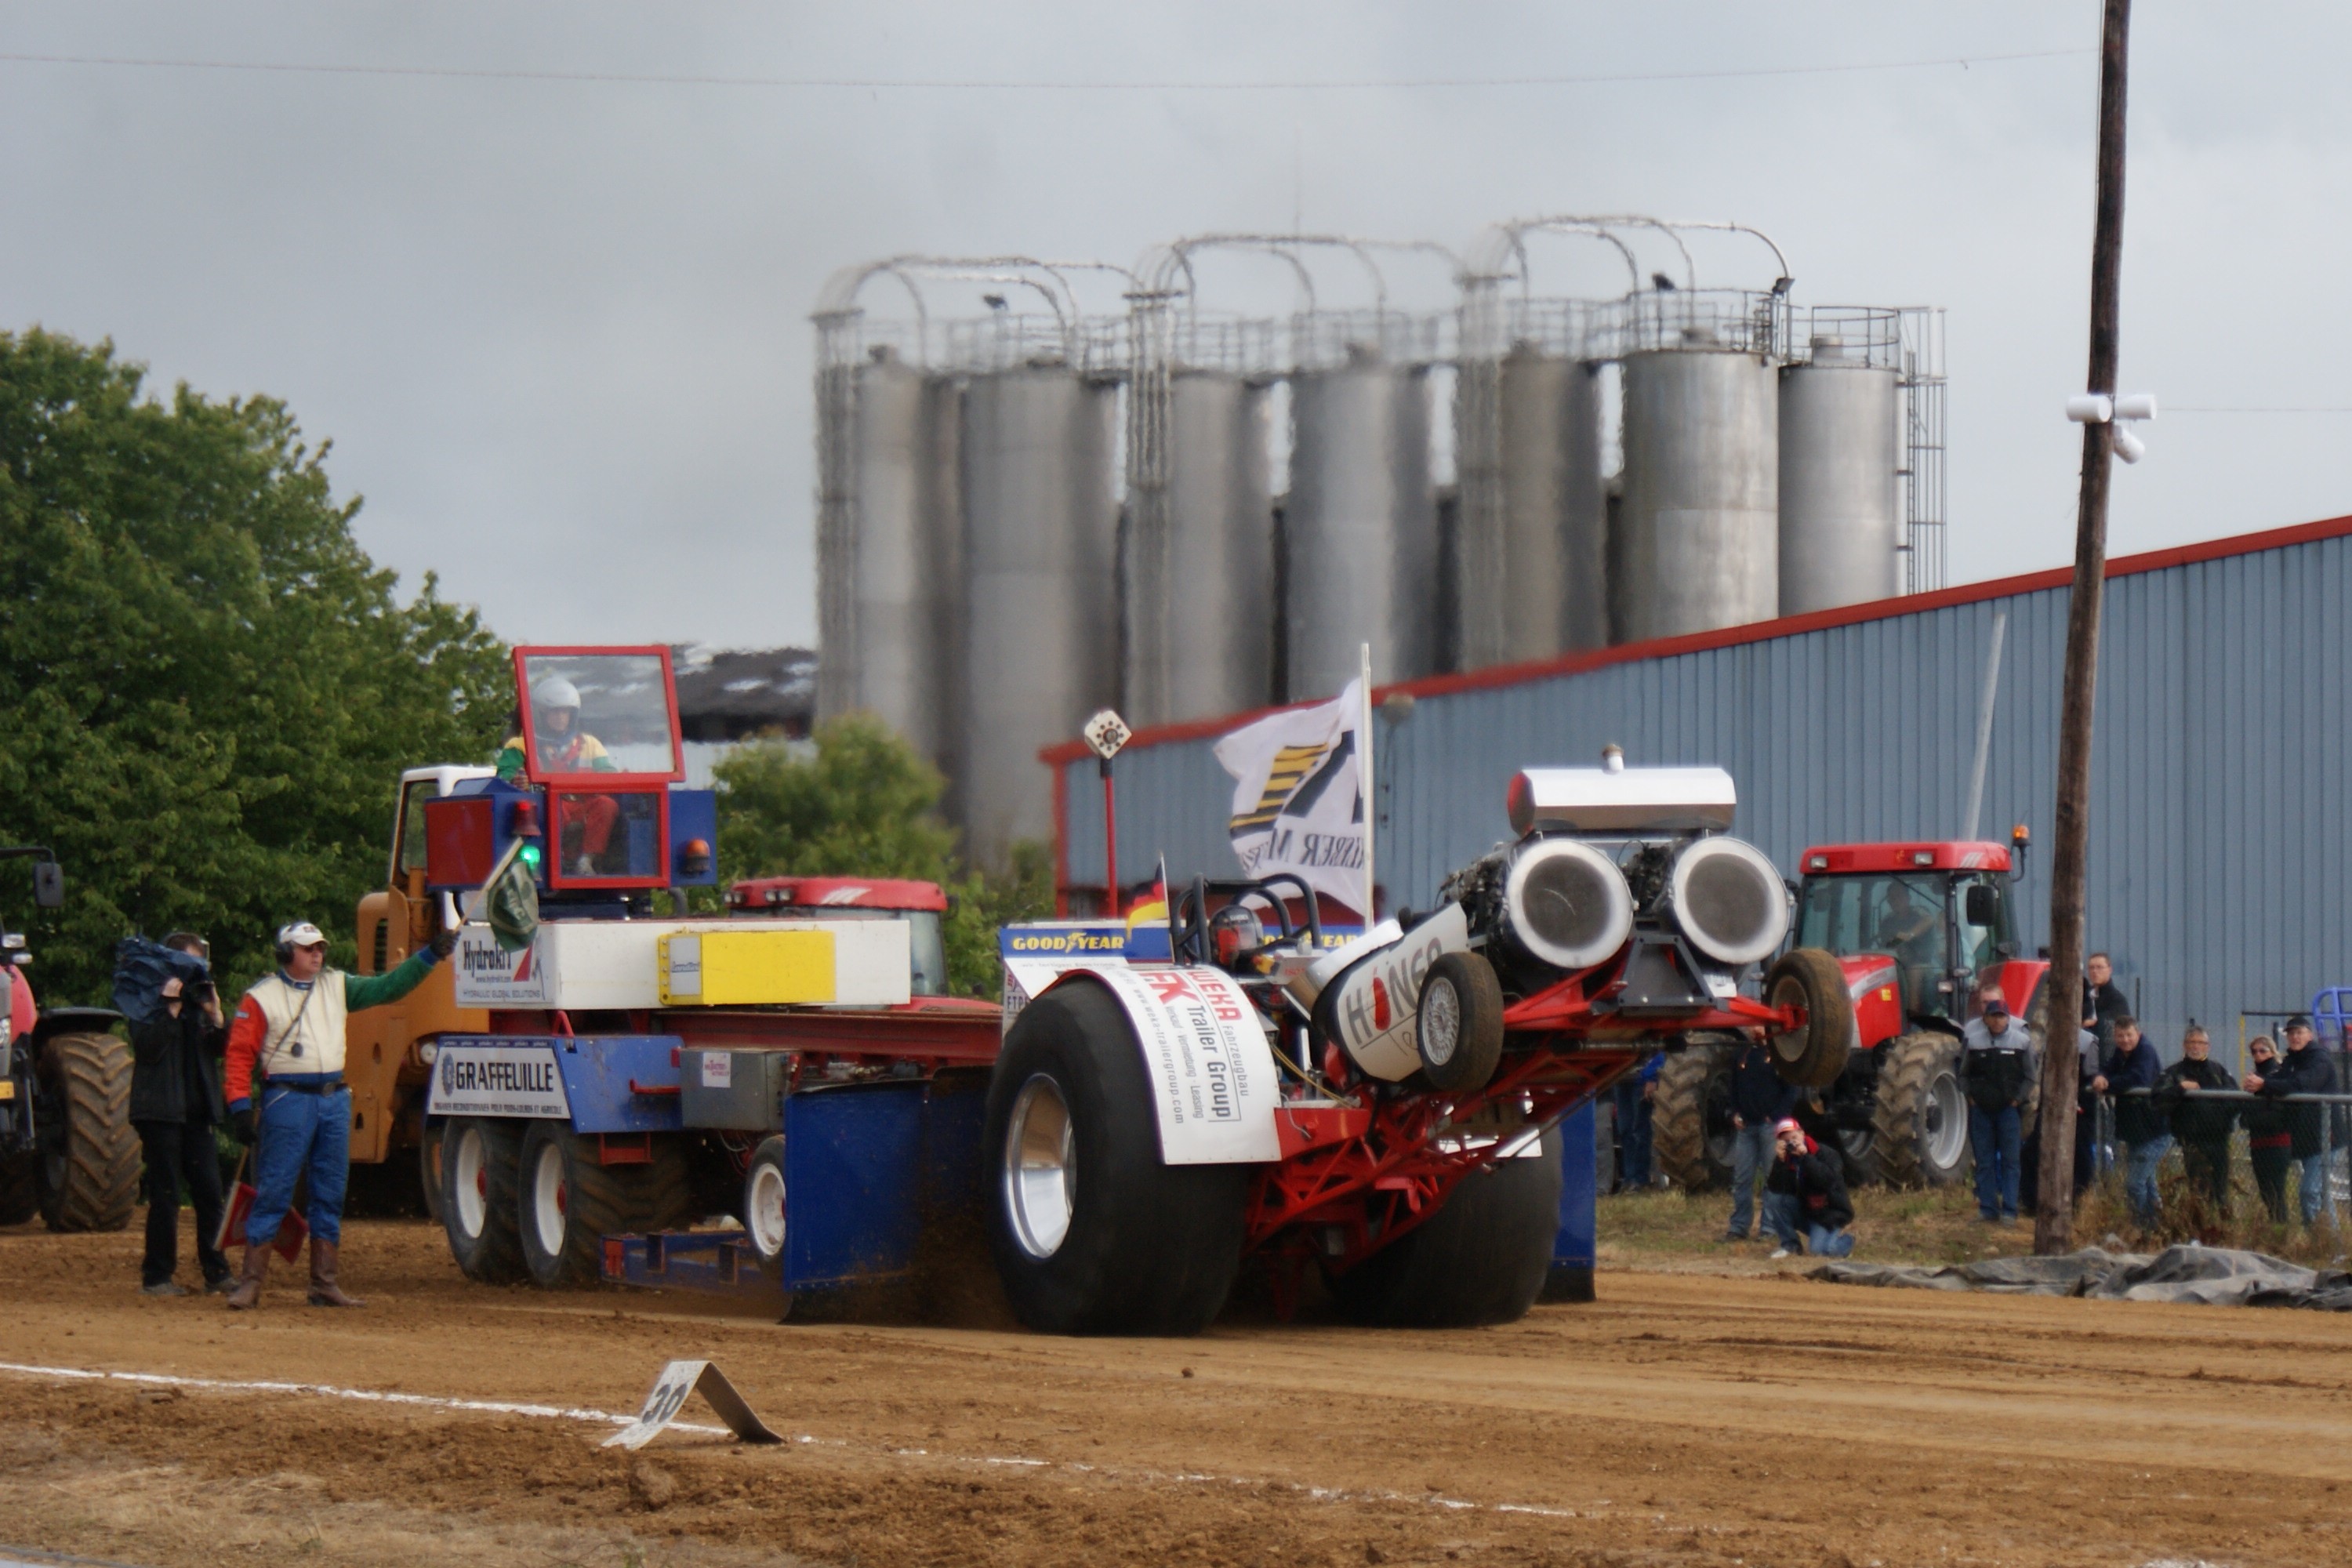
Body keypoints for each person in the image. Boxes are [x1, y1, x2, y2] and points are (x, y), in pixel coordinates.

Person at [222, 919, 453, 1310]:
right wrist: (240, 1107)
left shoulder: (337, 984)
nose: (317, 954)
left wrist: (429, 957)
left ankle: (324, 1283)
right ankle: (251, 1281)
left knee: (330, 1191)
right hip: (287, 1100)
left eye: (320, 948)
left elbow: (388, 987)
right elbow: (238, 1057)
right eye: (308, 948)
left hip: (332, 1099)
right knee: (275, 1190)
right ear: (285, 954)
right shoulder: (260, 998)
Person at [126, 932, 230, 1296]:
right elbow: (146, 1047)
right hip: (160, 1111)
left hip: (197, 1112)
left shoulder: (200, 1005)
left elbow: (222, 1048)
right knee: (166, 1195)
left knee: (209, 1193)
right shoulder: (145, 1000)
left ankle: (217, 1272)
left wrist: (215, 1014)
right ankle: (157, 1276)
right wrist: (169, 1009)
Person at [497, 677, 622, 876]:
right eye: (554, 711)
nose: (560, 717)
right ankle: (552, 862)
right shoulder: (519, 745)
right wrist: (516, 780)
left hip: (582, 805)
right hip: (549, 807)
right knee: (552, 807)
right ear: (541, 714)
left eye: (565, 711)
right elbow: (504, 777)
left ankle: (586, 861)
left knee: (607, 805)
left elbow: (607, 772)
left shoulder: (590, 743)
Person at [2245, 1014, 2337, 1225]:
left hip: (2325, 1137)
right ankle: (2331, 1244)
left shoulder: (2319, 1059)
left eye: (2299, 1032)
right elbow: (2278, 1080)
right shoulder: (2292, 1060)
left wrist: (2264, 1085)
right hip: (2305, 1136)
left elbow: (2301, 1084)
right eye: (2291, 1033)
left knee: (2309, 1192)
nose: (2295, 1037)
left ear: (2310, 1035)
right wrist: (2258, 1084)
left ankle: (2318, 1242)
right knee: (2320, 1194)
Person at [1962, 989, 2035, 1224]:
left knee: (2011, 1161)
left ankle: (2010, 1210)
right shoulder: (1973, 1041)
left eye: (2002, 1016)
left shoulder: (2022, 1042)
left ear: (2008, 1018)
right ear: (1986, 1018)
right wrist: (1970, 1098)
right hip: (1981, 1110)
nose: (1997, 1020)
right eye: (1993, 1016)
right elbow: (1962, 1074)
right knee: (1984, 1161)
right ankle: (1988, 1208)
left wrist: (2018, 1099)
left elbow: (2031, 1076)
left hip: (2008, 1111)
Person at [2154, 1025, 2238, 1218]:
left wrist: (2218, 1114)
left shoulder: (2218, 1072)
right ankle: (2200, 1229)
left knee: (2221, 1191)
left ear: (2207, 1046)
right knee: (2199, 1190)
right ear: (2185, 1045)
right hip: (2191, 1141)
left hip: (2218, 1141)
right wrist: (2180, 1089)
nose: (2196, 1047)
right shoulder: (2174, 1073)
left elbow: (2236, 1099)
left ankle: (2224, 1230)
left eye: (2201, 1043)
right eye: (2192, 1042)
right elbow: (2158, 1099)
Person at [1722, 1036, 1800, 1241]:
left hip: (1769, 1127)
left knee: (1771, 1177)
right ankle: (1738, 1227)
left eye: (1758, 1023)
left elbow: (1791, 1089)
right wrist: (1734, 1112)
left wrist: (1776, 1117)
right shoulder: (1742, 1054)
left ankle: (1770, 1228)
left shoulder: (1780, 1054)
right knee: (1742, 1178)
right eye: (1751, 1024)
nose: (1753, 1028)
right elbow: (1733, 1088)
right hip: (1746, 1126)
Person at [2096, 1015, 2168, 1228]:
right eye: (2120, 1036)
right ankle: (2156, 1225)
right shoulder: (2121, 1053)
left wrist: (2108, 1084)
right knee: (2148, 1183)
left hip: (2155, 1130)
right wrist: (2101, 1076)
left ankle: (2142, 1223)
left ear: (2138, 1033)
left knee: (2134, 1183)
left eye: (2129, 1035)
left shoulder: (2145, 1051)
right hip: (2137, 1130)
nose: (2125, 1040)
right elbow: (2108, 1067)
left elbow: (2139, 1078)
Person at [1764, 1117, 1853, 1260]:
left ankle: (1845, 1242)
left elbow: (1827, 1181)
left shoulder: (1825, 1153)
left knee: (1820, 1252)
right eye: (1786, 1141)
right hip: (1807, 1211)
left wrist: (1805, 1157)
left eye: (1794, 1137)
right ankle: (1790, 1245)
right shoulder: (1786, 1159)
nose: (1791, 1143)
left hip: (1829, 1213)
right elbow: (1775, 1189)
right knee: (1775, 1198)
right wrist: (1780, 1163)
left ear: (1802, 1133)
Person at [2241, 1035, 2294, 1222]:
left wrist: (2255, 1115)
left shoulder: (2277, 1075)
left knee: (2276, 1191)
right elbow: (2245, 1116)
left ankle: (2282, 1230)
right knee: (2265, 1192)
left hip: (2277, 1142)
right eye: (2254, 1051)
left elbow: (2277, 1112)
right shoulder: (2253, 1078)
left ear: (2272, 1052)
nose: (2258, 1054)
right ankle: (2275, 1227)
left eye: (2263, 1050)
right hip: (2258, 1143)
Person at [1613, 1054, 1659, 1191]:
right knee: (1625, 1130)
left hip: (1641, 1080)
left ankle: (1640, 1179)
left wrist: (1651, 1077)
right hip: (1622, 1080)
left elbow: (1657, 1050)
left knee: (1640, 1130)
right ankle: (1629, 1178)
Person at [2082, 953, 2129, 1054]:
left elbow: (2111, 1026)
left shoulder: (2117, 1000)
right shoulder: (2085, 995)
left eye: (2100, 967)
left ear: (2109, 969)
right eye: (2091, 968)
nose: (2095, 971)